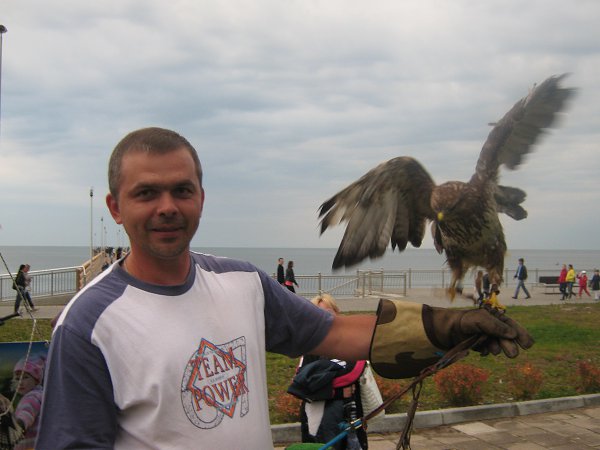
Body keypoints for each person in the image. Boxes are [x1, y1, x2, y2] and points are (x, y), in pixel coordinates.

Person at [36, 127, 533, 449]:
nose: (167, 206)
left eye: (181, 190)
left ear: (201, 198)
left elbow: (334, 333)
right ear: (115, 207)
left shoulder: (243, 283)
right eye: (146, 193)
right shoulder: (88, 325)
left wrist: (445, 327)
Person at [290, 294, 368, 449]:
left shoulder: (351, 344)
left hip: (352, 415)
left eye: (329, 312)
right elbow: (303, 387)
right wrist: (339, 391)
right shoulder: (310, 348)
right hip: (319, 422)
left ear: (337, 313)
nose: (324, 317)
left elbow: (358, 375)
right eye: (317, 313)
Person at [0, 354, 46, 450]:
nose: (20, 382)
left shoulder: (33, 396)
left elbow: (27, 411)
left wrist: (20, 424)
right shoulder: (41, 395)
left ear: (36, 381)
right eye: (17, 379)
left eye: (25, 377)